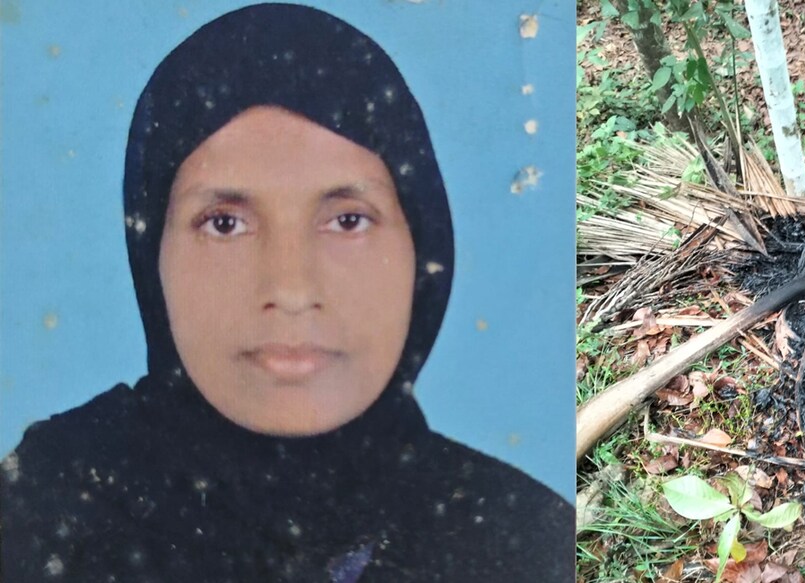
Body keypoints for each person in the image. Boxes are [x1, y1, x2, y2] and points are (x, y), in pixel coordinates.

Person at [0, 4, 574, 582]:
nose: (292, 290)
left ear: (423, 248)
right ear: (152, 258)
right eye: (224, 223)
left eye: (348, 220)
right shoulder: (51, 509)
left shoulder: (519, 538)